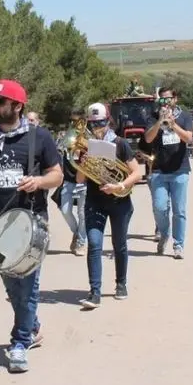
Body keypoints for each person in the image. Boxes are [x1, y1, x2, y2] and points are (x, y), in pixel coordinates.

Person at [0, 79, 63, 374]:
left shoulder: (39, 136)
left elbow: (57, 175)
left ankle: (19, 343)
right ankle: (32, 326)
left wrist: (39, 182)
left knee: (28, 286)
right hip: (0, 223)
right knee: (12, 286)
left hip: (32, 222)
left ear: (17, 106)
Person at [76, 103, 142, 309]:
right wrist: (84, 163)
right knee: (94, 244)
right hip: (94, 201)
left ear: (108, 122)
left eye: (101, 123)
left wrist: (119, 186)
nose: (97, 128)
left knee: (119, 244)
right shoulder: (86, 146)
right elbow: (79, 179)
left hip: (119, 201)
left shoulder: (120, 143)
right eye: (93, 124)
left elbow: (137, 173)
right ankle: (94, 292)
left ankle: (121, 283)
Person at [143, 87, 193, 259]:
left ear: (175, 99)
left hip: (180, 170)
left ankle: (178, 245)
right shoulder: (153, 116)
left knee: (179, 211)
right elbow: (148, 139)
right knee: (159, 208)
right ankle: (164, 233)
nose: (165, 102)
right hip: (159, 170)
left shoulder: (185, 116)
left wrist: (173, 124)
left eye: (168, 98)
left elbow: (188, 138)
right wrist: (160, 121)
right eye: (162, 99)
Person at [60, 108, 87, 256]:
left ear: (83, 121)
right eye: (71, 120)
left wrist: (79, 147)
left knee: (82, 214)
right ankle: (77, 233)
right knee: (65, 210)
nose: (73, 123)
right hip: (68, 180)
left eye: (76, 121)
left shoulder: (88, 138)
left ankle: (81, 242)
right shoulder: (67, 136)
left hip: (84, 181)